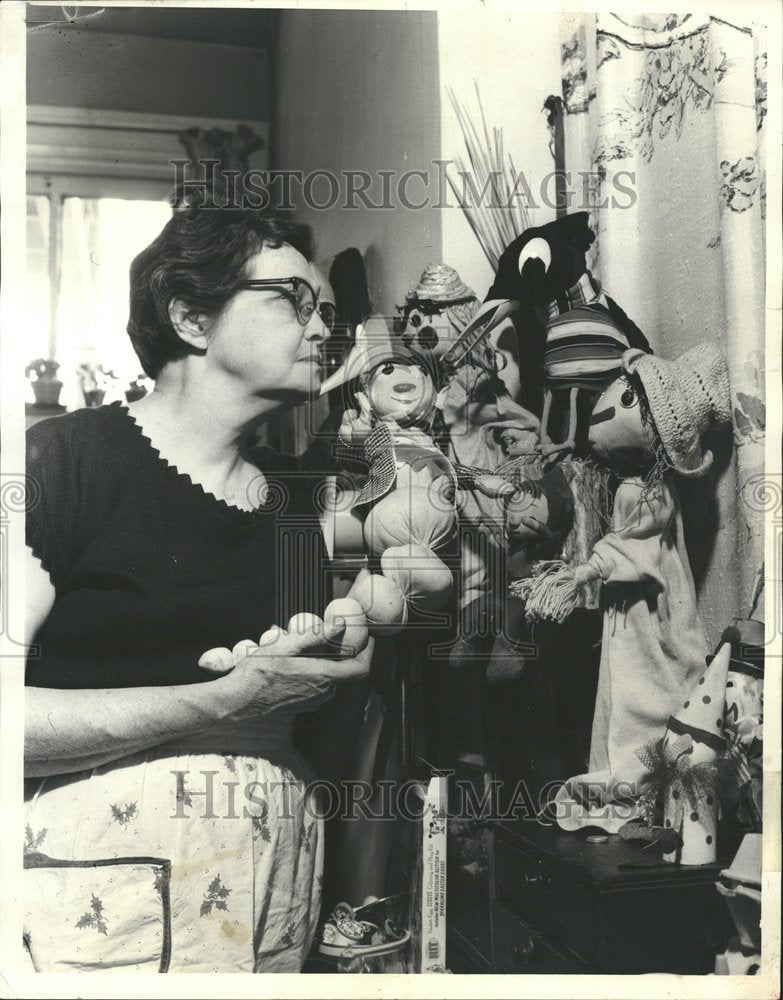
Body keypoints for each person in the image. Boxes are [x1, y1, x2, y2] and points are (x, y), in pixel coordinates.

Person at [23, 203, 374, 973]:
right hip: (98, 918)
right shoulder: (61, 462)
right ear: (190, 317)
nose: (325, 331)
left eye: (327, 311)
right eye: (293, 301)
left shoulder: (301, 503)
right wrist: (222, 702)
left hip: (274, 900)